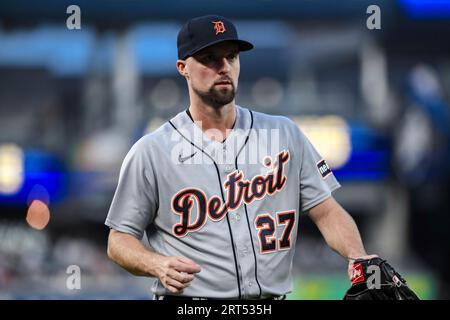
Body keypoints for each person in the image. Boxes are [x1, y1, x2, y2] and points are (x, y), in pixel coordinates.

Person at [105, 14, 376, 300]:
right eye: (210, 58)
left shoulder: (284, 133)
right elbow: (118, 239)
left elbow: (326, 210)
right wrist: (155, 264)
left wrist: (358, 256)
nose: (224, 67)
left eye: (231, 57)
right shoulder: (152, 151)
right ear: (183, 67)